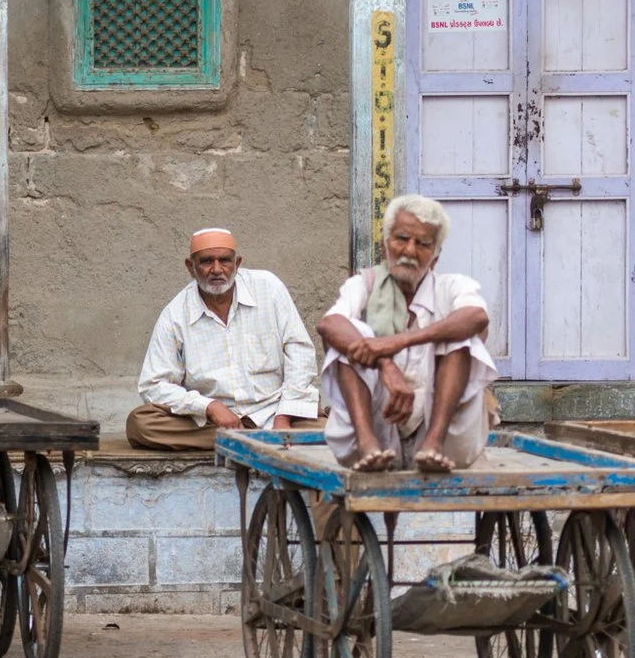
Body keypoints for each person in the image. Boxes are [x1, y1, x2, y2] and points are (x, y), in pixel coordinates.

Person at [317, 195, 496, 474]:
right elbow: (329, 324)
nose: (410, 251)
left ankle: (433, 444)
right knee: (353, 333)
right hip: (378, 425)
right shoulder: (364, 285)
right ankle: (367, 444)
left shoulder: (452, 287)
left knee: (459, 335)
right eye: (402, 239)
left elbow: (477, 317)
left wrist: (396, 341)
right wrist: (384, 363)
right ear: (385, 244)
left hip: (446, 438)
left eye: (423, 244)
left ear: (435, 257)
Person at [126, 227, 321, 451]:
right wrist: (209, 407)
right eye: (207, 261)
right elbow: (153, 385)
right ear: (191, 267)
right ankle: (254, 440)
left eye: (225, 261)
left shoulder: (269, 288)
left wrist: (284, 417)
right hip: (212, 423)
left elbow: (300, 353)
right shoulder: (175, 314)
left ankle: (241, 441)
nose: (217, 270)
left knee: (338, 431)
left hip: (273, 411)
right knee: (140, 424)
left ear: (237, 263)